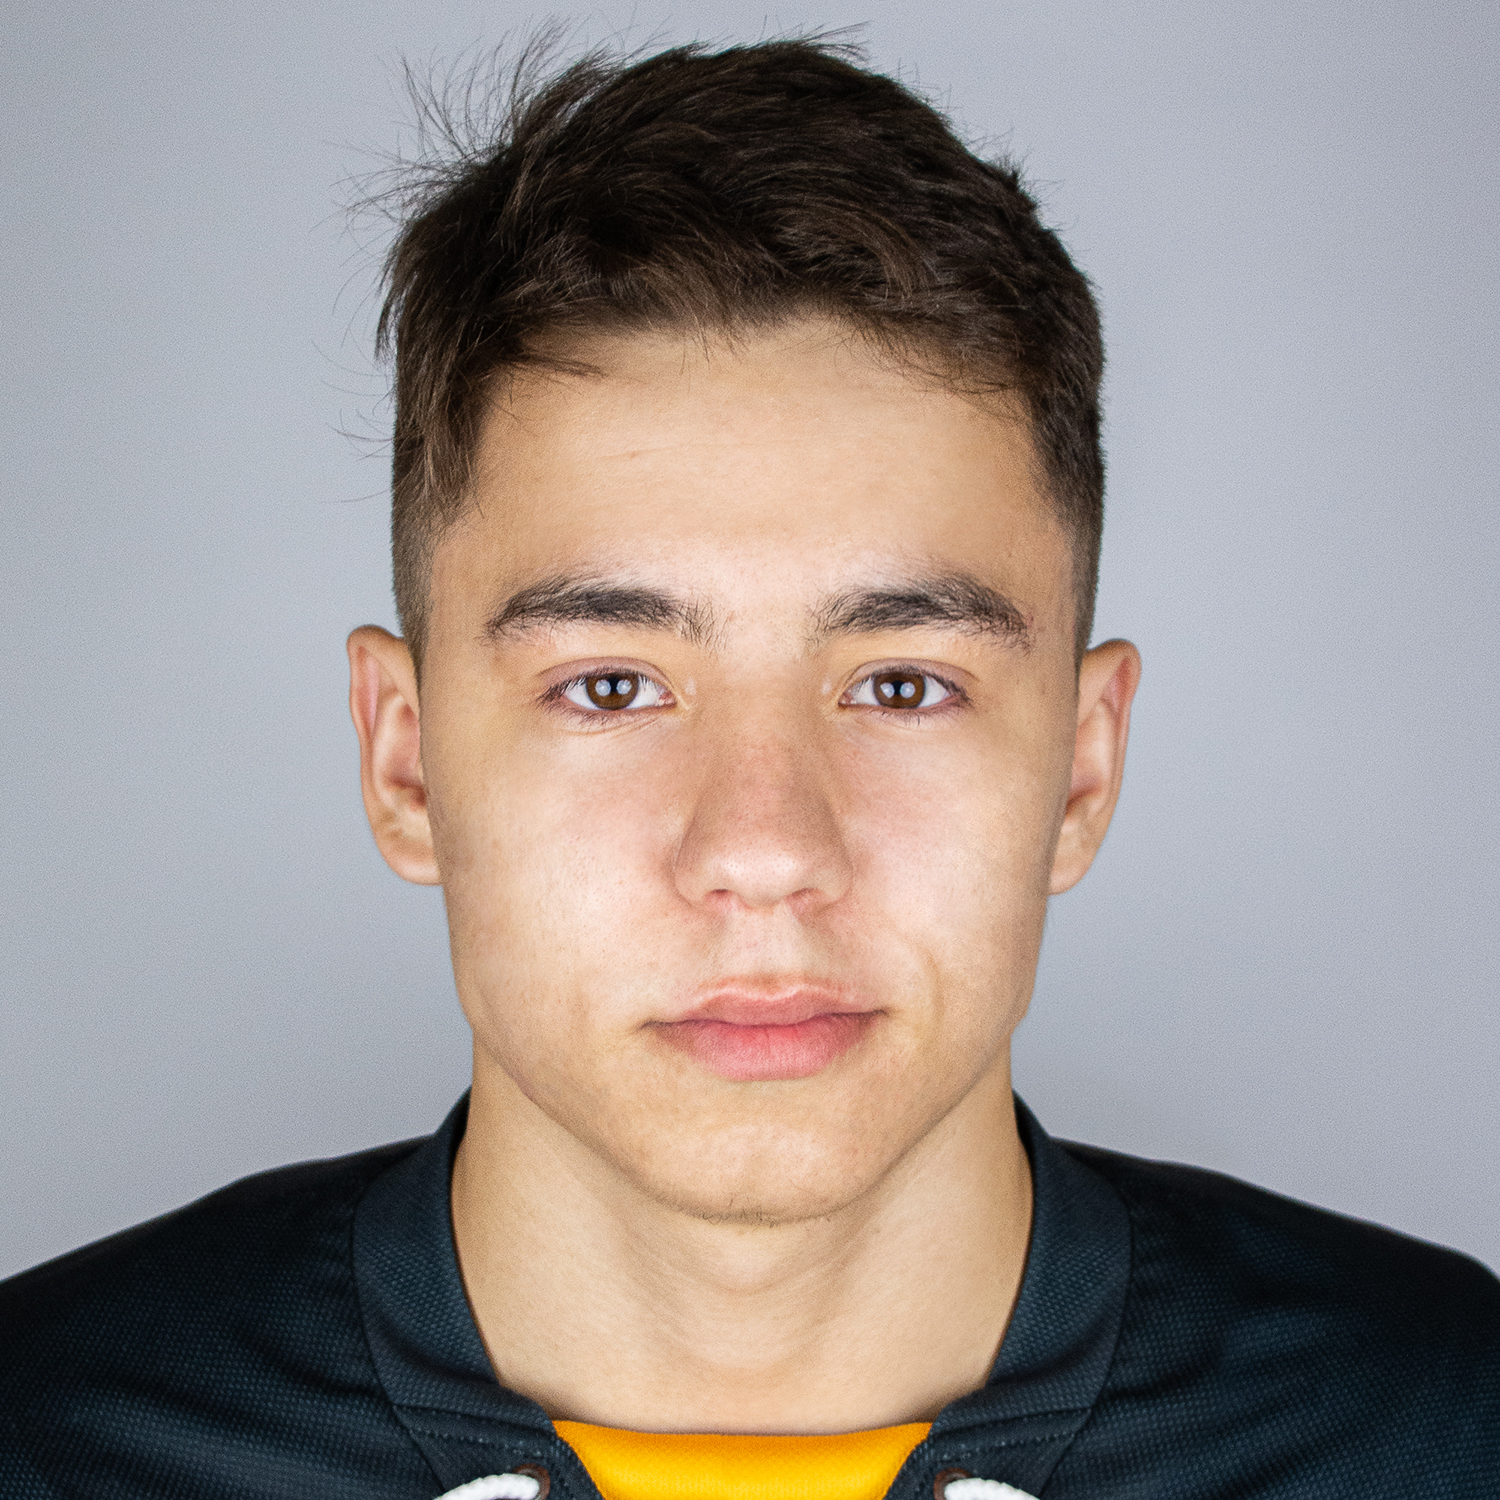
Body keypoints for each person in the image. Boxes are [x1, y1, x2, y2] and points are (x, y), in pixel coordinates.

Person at [1, 37, 1495, 1500]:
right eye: (611, 686)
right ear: (406, 765)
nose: (766, 849)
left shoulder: (1447, 1431)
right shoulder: (43, 1439)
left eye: (903, 685)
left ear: (1082, 771)